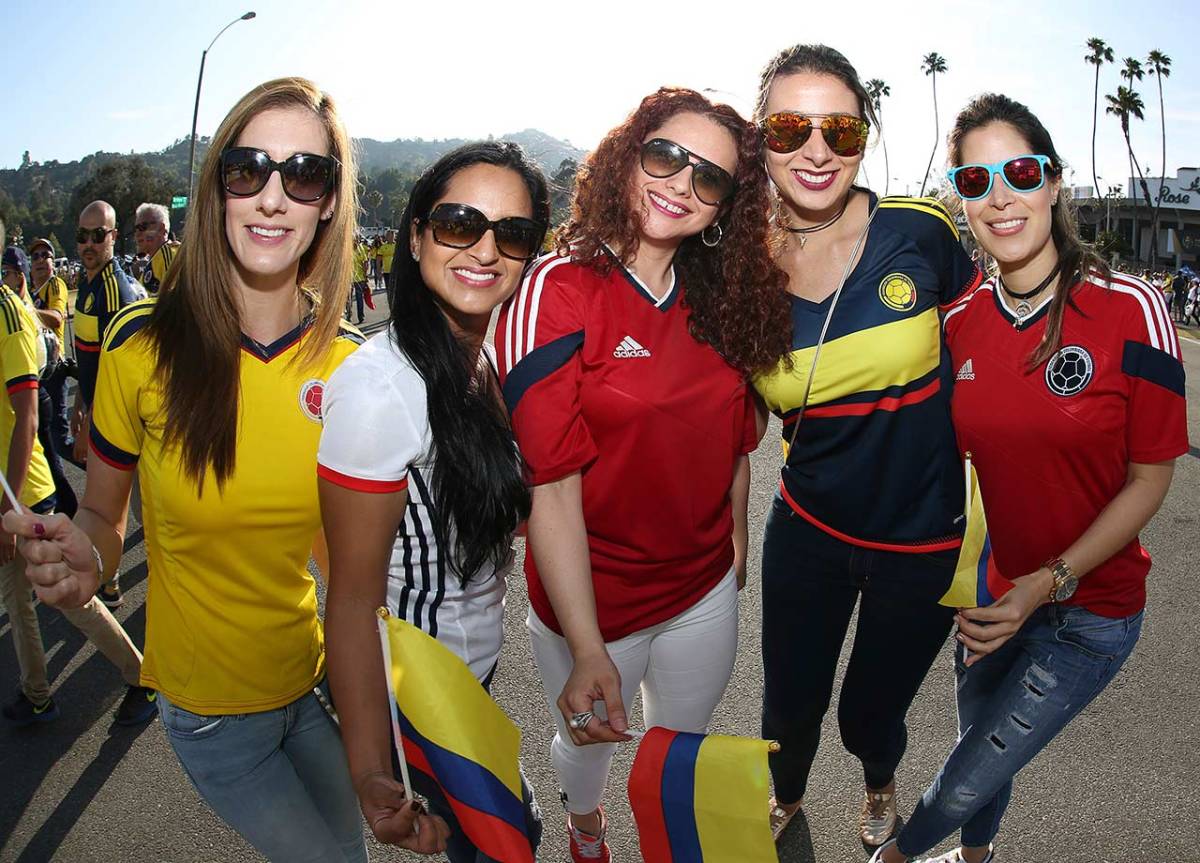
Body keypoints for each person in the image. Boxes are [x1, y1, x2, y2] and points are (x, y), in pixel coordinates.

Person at [2, 77, 424, 863]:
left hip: (312, 685)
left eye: (303, 174)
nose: (271, 196)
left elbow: (353, 580)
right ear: (216, 187)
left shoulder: (353, 370)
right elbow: (103, 519)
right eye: (247, 169)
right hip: (208, 715)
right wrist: (78, 560)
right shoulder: (141, 344)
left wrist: (385, 738)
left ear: (330, 202)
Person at [871, 92, 1187, 863]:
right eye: (975, 181)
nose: (1000, 196)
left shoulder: (1133, 308)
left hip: (1088, 611)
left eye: (1017, 171)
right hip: (989, 598)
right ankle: (977, 859)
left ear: (1053, 182)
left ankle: (898, 854)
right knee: (979, 749)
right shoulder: (956, 325)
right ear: (961, 201)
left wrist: (1043, 585)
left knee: (960, 780)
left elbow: (1149, 480)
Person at [497, 87, 791, 862]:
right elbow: (550, 487)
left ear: (726, 205)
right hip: (595, 602)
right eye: (666, 156)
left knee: (677, 752)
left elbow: (733, 435)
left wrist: (735, 538)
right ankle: (584, 828)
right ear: (629, 154)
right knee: (586, 750)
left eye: (711, 178)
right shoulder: (555, 290)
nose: (680, 184)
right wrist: (589, 645)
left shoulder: (723, 296)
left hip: (699, 590)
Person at [750, 44, 982, 847]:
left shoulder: (917, 230)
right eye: (790, 127)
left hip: (923, 545)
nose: (816, 150)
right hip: (807, 531)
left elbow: (992, 354)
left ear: (864, 137)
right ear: (760, 140)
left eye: (840, 130)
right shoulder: (737, 267)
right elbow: (723, 414)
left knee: (868, 715)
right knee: (789, 706)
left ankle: (878, 780)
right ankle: (786, 800)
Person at [319, 141, 548, 860]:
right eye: (459, 223)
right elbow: (352, 598)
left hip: (469, 671)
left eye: (511, 233)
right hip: (418, 693)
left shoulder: (484, 360)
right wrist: (372, 771)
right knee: (509, 842)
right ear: (416, 234)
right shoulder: (381, 386)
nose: (486, 248)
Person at [0, 247, 151, 727]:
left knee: (72, 599)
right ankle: (37, 692)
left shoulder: (6, 312)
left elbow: (27, 417)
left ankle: (142, 678)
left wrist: (8, 511)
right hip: (9, 493)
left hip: (23, 493)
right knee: (19, 599)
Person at [71, 199, 140, 606]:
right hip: (100, 411)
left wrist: (89, 424)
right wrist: (81, 398)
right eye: (83, 236)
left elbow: (118, 374)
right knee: (115, 505)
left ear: (114, 237)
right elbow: (88, 355)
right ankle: (109, 577)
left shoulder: (114, 290)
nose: (90, 244)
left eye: (99, 235)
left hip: (121, 420)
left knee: (121, 506)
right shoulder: (87, 285)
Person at [2, 246, 76, 517]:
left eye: (45, 256)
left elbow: (58, 317)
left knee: (55, 446)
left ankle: (72, 509)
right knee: (49, 447)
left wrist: (28, 310)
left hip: (51, 377)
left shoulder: (44, 291)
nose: (40, 261)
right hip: (37, 379)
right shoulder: (27, 299)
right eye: (34, 257)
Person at [133, 202, 180, 296]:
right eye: (136, 228)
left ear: (162, 229)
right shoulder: (154, 260)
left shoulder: (170, 255)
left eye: (142, 227)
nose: (137, 234)